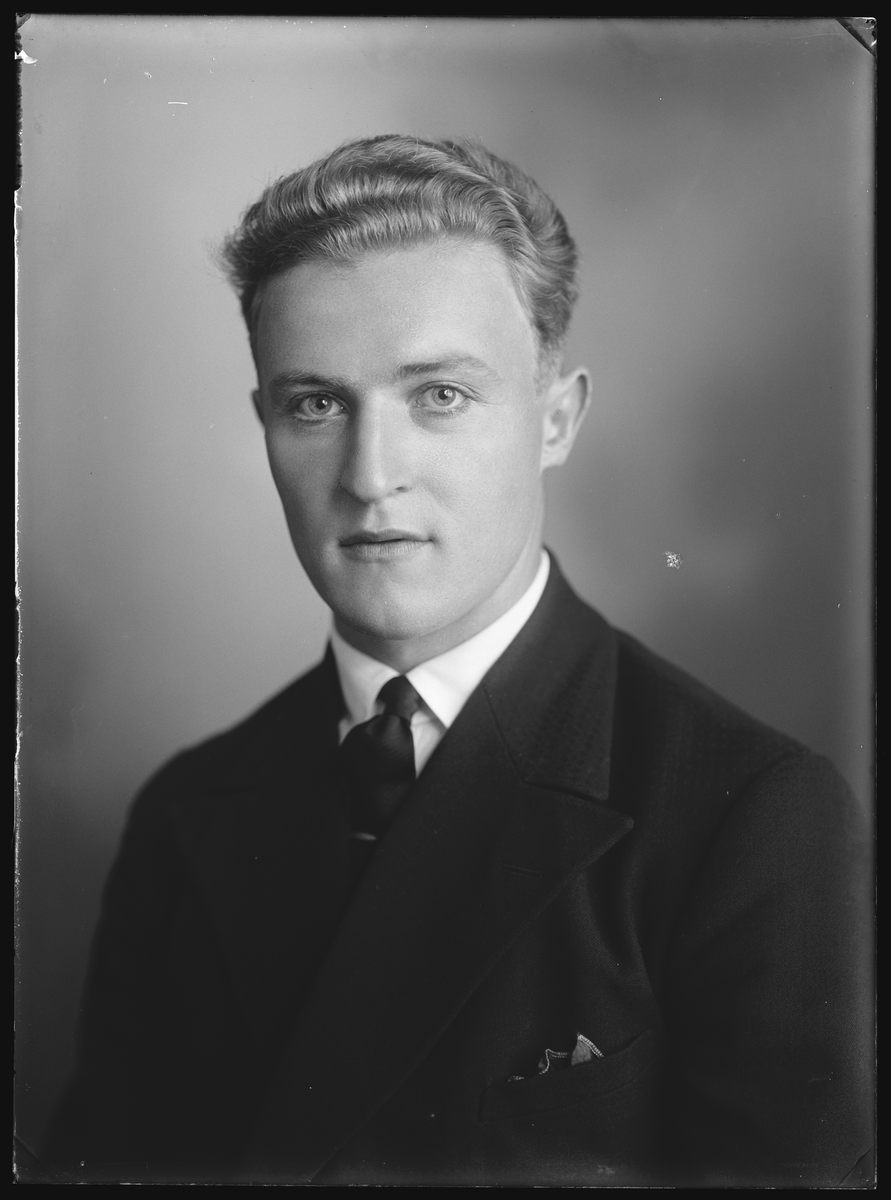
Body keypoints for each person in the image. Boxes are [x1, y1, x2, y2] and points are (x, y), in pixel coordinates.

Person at [43, 135, 872, 1186]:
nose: (370, 476)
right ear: (264, 425)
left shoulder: (749, 816)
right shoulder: (187, 813)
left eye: (439, 395)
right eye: (315, 404)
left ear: (556, 421)